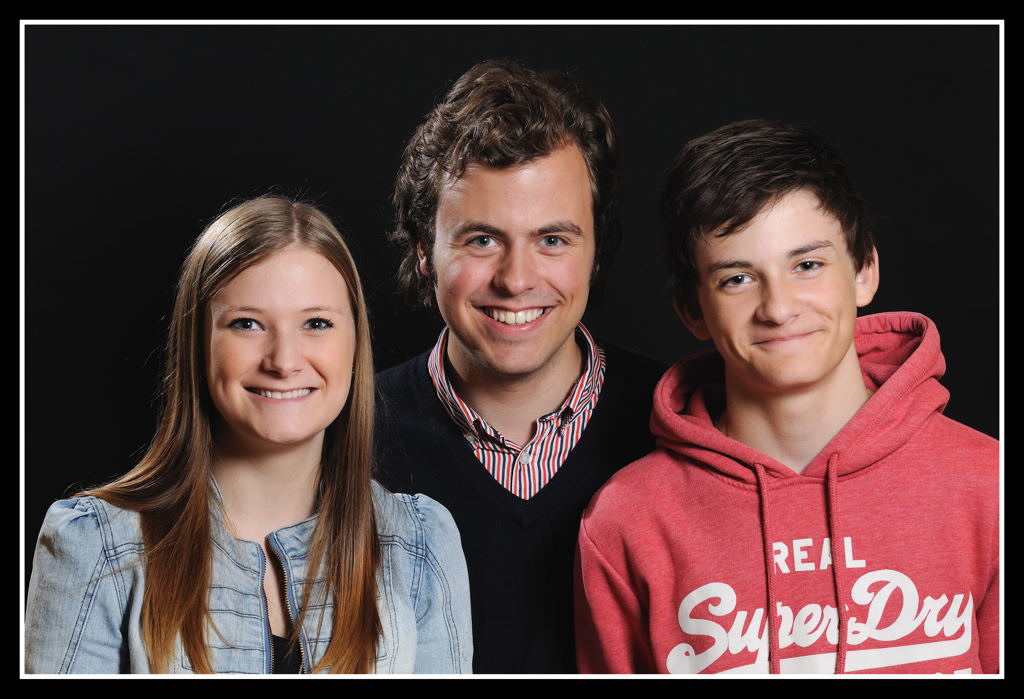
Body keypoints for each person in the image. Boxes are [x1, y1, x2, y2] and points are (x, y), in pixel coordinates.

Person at [575, 120, 999, 675]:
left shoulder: (987, 486)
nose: (778, 307)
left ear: (864, 271)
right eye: (737, 279)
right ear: (693, 310)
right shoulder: (629, 521)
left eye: (807, 265)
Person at [25, 196, 472, 674]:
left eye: (316, 323)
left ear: (355, 343)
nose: (283, 361)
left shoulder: (419, 544)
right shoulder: (95, 545)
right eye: (247, 324)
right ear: (199, 343)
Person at [376, 59, 665, 673]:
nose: (516, 280)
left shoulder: (682, 423)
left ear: (595, 249)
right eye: (482, 240)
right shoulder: (345, 436)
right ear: (425, 250)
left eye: (552, 240)